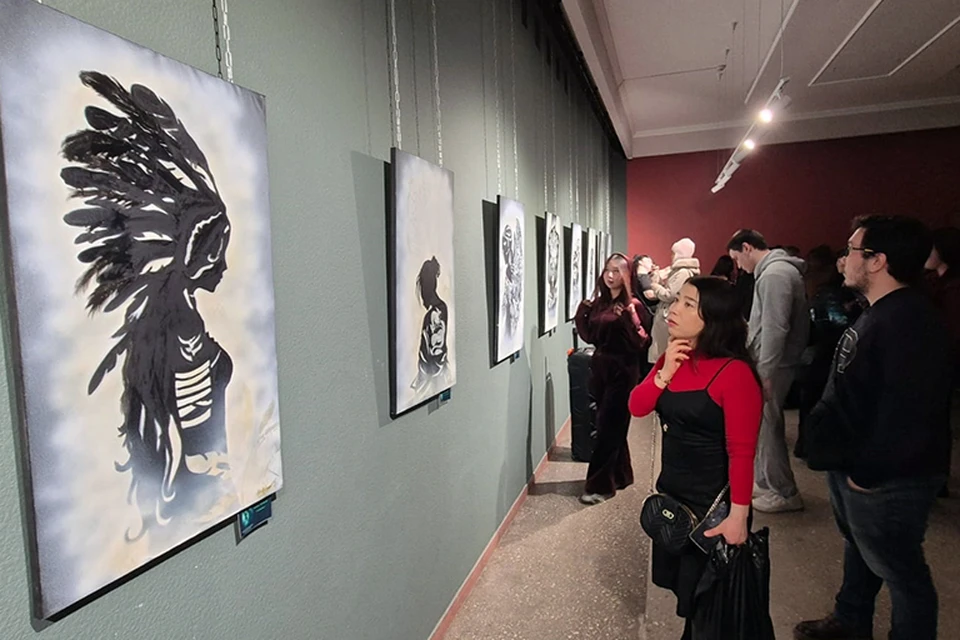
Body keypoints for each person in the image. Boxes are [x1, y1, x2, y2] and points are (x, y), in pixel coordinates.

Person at [795, 215, 951, 640]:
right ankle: (850, 619)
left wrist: (867, 475)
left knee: (901, 571)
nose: (843, 259)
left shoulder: (910, 321)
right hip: (858, 462)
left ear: (877, 260)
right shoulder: (884, 311)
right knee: (861, 550)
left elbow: (909, 412)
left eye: (851, 251)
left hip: (886, 477)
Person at [629, 276, 763, 639]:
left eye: (689, 304)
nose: (674, 310)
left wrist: (739, 516)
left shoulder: (735, 373)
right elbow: (637, 406)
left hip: (713, 507)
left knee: (711, 605)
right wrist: (663, 374)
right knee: (688, 597)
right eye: (677, 301)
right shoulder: (673, 357)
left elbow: (742, 452)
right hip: (674, 499)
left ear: (714, 318)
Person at [728, 229, 809, 513]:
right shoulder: (775, 272)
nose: (739, 266)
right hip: (773, 361)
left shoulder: (775, 275)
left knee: (769, 426)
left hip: (775, 364)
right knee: (764, 425)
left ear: (747, 248)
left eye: (737, 258)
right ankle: (767, 482)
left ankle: (784, 491)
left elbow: (776, 328)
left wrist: (764, 373)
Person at [574, 253, 651, 504]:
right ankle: (621, 474)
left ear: (626, 275)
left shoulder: (634, 305)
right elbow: (589, 336)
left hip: (623, 370)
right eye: (608, 269)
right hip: (600, 369)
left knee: (607, 428)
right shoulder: (600, 304)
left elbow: (642, 341)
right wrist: (582, 313)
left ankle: (600, 485)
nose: (610, 275)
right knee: (611, 425)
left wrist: (628, 318)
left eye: (617, 271)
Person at [795, 245, 864, 459]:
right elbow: (838, 325)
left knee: (814, 403)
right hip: (830, 353)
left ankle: (809, 446)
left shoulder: (818, 288)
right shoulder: (832, 292)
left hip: (819, 353)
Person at [648, 238, 701, 366]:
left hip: (667, 317)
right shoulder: (678, 271)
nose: (671, 256)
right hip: (667, 316)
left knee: (663, 353)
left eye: (673, 253)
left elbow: (670, 295)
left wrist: (655, 286)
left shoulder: (682, 272)